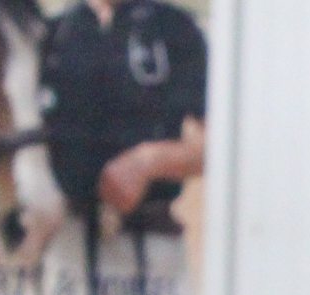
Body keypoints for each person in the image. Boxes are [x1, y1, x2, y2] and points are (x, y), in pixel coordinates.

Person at [40, 0, 208, 228]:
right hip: (64, 239)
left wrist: (148, 162)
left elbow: (213, 146)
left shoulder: (174, 28)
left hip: (150, 240)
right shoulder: (52, 33)